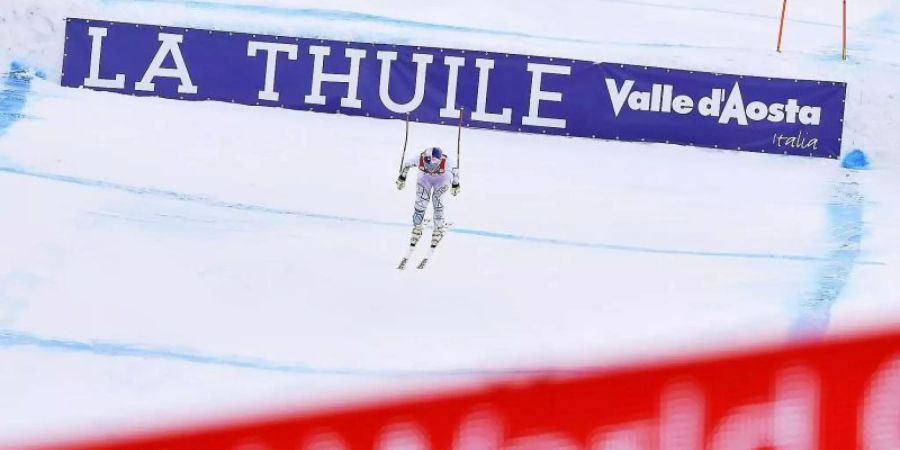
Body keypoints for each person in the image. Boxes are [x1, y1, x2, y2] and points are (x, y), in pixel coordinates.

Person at [396, 146, 460, 247]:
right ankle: (417, 226)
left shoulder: (447, 161)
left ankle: (438, 228)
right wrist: (402, 177)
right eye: (428, 164)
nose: (430, 168)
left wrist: (455, 185)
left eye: (433, 165)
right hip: (425, 178)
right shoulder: (419, 158)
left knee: (437, 201)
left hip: (442, 179)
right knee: (421, 203)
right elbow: (407, 165)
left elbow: (455, 172)